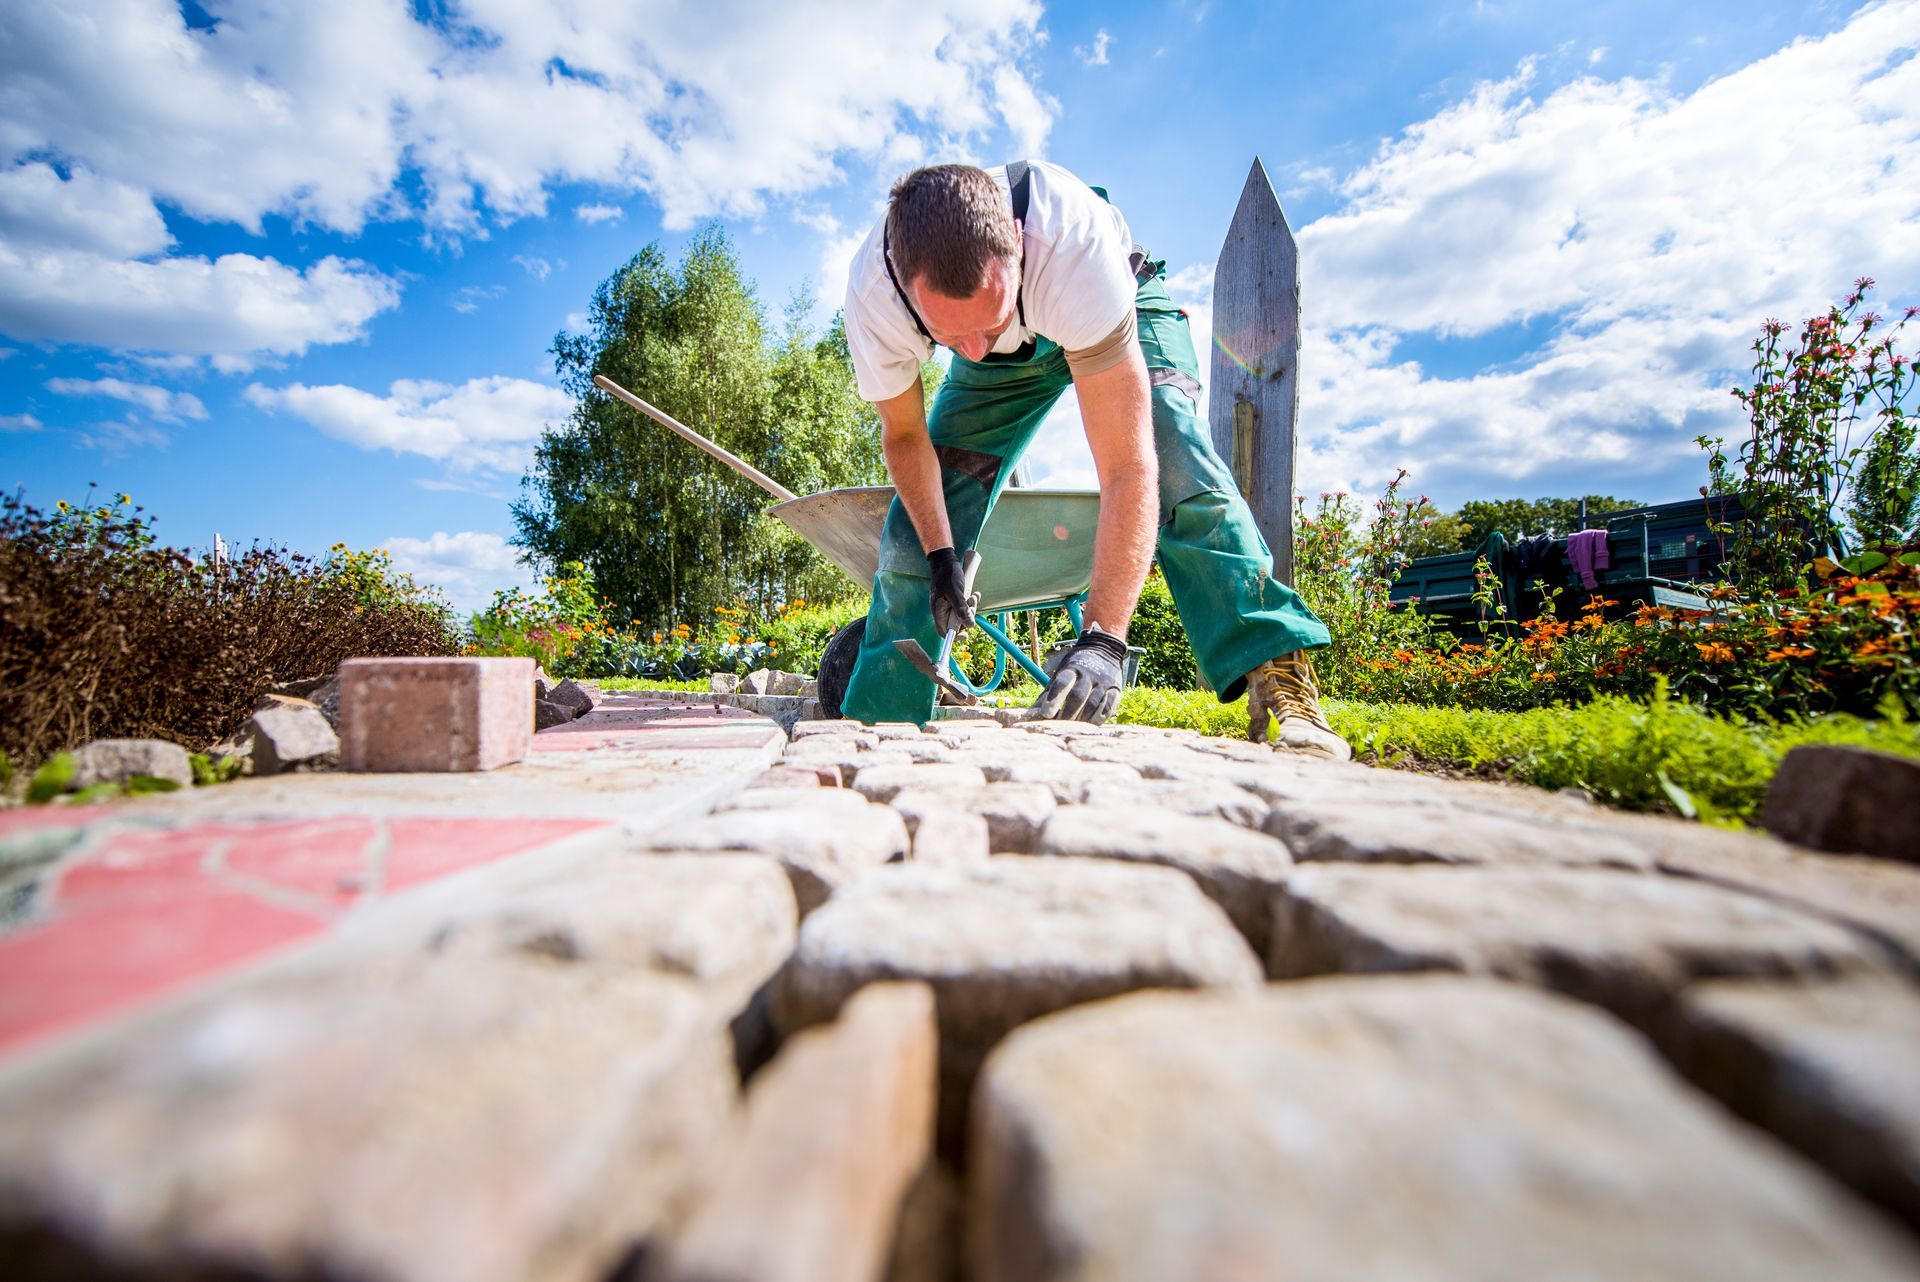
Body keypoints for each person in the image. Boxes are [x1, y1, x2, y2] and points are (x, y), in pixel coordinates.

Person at [837, 160, 1347, 758]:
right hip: (998, 371)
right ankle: (875, 726)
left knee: (1177, 455)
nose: (973, 349)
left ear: (1019, 250)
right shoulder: (877, 295)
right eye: (949, 338)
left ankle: (1282, 687)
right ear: (906, 284)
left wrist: (1104, 638)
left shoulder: (1072, 247)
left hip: (1115, 310)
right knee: (921, 523)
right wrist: (941, 553)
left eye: (989, 319)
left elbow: (1128, 466)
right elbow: (905, 437)